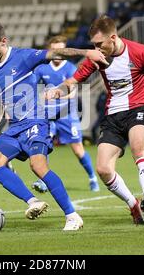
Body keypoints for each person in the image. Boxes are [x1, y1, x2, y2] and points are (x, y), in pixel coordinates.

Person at [47, 15, 144, 225]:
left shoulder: (140, 52)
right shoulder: (97, 58)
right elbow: (72, 81)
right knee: (103, 169)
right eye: (93, 45)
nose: (96, 49)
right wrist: (58, 91)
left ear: (113, 38)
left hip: (138, 110)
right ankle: (134, 204)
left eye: (99, 44)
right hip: (112, 116)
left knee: (139, 148)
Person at [0, 20, 107, 231]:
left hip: (36, 121)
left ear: (3, 42)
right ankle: (33, 202)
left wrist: (87, 52)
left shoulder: (24, 56)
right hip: (15, 127)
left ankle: (72, 216)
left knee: (38, 166)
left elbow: (56, 54)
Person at [30, 35, 100, 193]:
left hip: (66, 115)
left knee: (77, 149)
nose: (58, 52)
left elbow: (73, 93)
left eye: (61, 49)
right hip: (48, 115)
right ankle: (43, 180)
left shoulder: (70, 68)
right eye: (55, 49)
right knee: (43, 145)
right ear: (50, 50)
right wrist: (39, 96)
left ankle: (92, 177)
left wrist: (54, 95)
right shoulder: (42, 68)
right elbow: (34, 89)